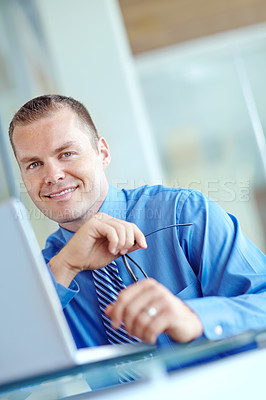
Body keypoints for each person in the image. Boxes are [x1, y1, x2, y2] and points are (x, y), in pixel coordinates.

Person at [9, 94, 266, 350]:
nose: (52, 175)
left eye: (66, 153)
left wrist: (195, 317)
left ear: (103, 153)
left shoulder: (184, 214)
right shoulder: (40, 275)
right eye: (33, 164)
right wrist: (62, 270)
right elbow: (14, 369)